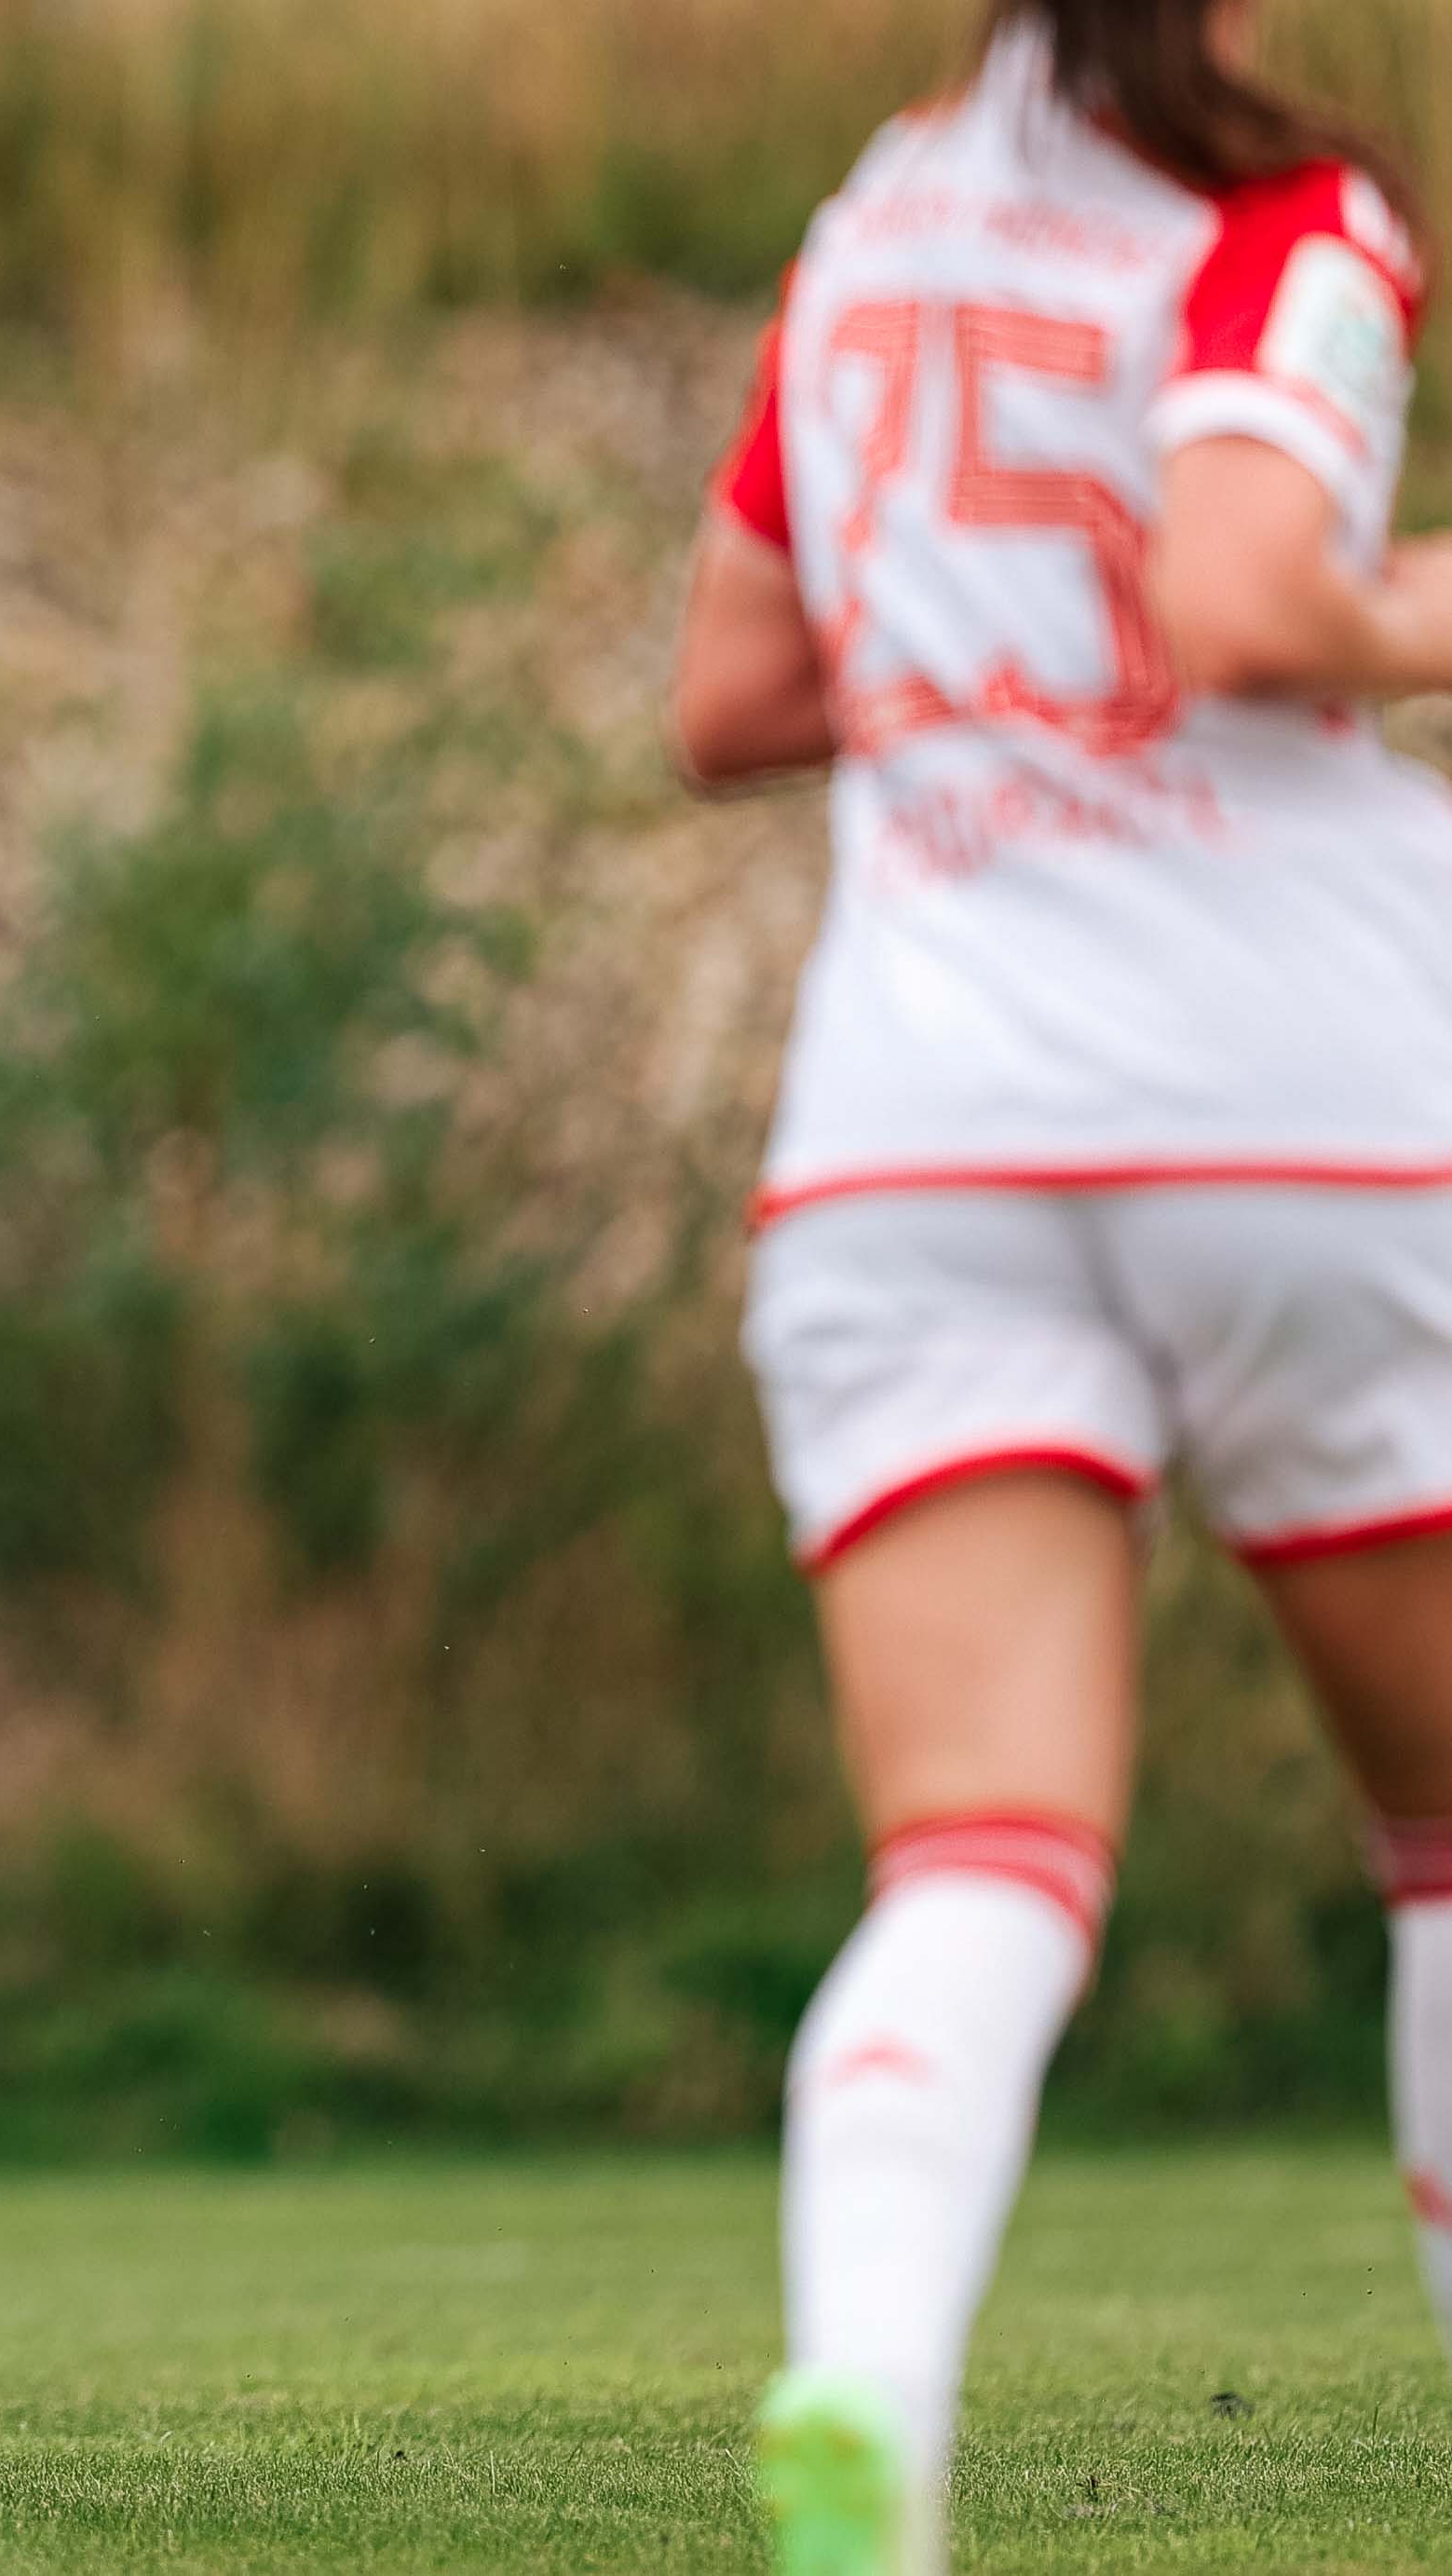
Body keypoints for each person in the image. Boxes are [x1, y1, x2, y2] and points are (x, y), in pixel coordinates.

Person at [664, 3, 1452, 2566]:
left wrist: (969, 668)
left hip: (918, 1120)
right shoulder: (1279, 205)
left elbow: (735, 687)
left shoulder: (867, 225)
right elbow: (1238, 598)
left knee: (983, 1854)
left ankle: (868, 2412)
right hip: (1297, 1095)